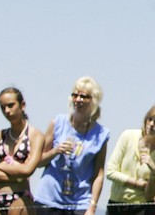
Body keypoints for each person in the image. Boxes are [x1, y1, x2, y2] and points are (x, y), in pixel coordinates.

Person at [34, 77, 110, 215]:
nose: (78, 99)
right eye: (75, 95)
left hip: (79, 203)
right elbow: (38, 161)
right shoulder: (57, 122)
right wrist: (56, 151)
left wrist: (92, 206)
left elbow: (98, 174)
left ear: (93, 101)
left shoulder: (101, 134)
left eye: (84, 96)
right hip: (48, 200)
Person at [0, 87, 46, 215]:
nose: (7, 111)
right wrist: (16, 177)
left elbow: (28, 170)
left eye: (10, 105)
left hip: (20, 198)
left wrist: (0, 166)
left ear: (22, 105)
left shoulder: (35, 135)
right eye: (3, 107)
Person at [105, 103, 155, 215]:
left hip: (142, 209)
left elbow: (149, 195)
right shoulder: (128, 136)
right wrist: (139, 184)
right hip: (116, 205)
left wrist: (153, 172)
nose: (151, 124)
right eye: (150, 119)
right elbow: (110, 172)